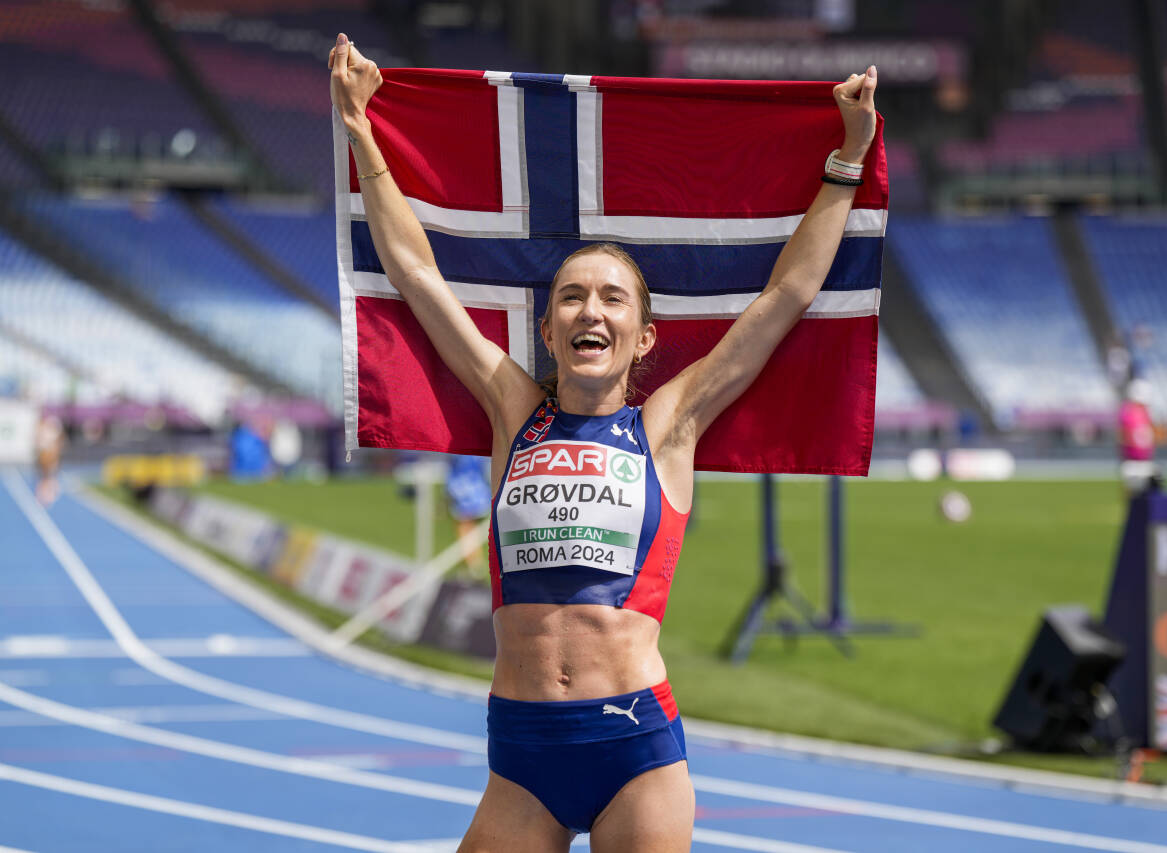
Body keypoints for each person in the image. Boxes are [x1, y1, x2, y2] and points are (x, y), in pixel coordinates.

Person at [329, 32, 878, 852]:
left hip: (634, 749)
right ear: (547, 329)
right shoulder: (511, 408)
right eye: (573, 298)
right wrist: (361, 130)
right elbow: (417, 275)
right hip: (520, 754)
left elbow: (786, 295)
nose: (592, 311)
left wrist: (847, 158)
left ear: (645, 335)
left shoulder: (670, 423)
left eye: (613, 299)